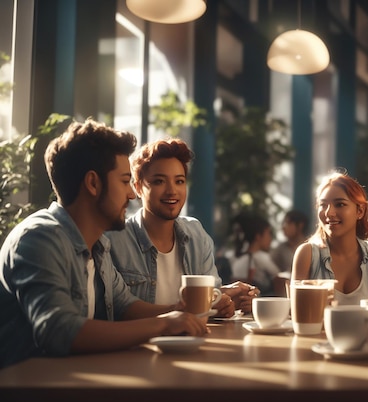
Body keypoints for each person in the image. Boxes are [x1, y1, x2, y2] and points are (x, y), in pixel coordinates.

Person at [0, 120, 207, 368]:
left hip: (71, 382)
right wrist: (163, 324)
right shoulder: (39, 239)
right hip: (25, 395)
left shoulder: (97, 245)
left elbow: (125, 305)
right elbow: (58, 330)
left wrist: (180, 312)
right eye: (124, 181)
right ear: (93, 183)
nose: (132, 194)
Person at [106, 138, 258, 318]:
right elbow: (118, 310)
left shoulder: (195, 233)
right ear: (138, 187)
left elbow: (210, 298)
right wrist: (193, 309)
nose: (172, 191)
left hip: (192, 341)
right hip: (139, 344)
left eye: (179, 181)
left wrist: (227, 302)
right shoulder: (114, 239)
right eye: (159, 181)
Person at [292, 170, 368, 305]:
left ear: (360, 211)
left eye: (340, 204)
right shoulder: (307, 254)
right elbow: (296, 315)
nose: (329, 212)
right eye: (323, 205)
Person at [230, 213, 280, 296]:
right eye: (268, 233)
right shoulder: (261, 258)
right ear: (258, 236)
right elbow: (278, 276)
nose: (270, 238)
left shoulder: (237, 258)